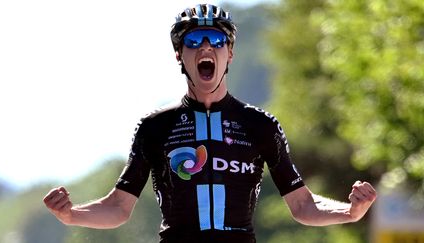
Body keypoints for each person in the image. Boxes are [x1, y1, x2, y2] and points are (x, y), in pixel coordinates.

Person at [43, 4, 377, 243]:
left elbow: (302, 204)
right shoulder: (155, 127)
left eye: (216, 41)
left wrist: (350, 212)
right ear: (179, 55)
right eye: (194, 41)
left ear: (229, 53)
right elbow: (118, 207)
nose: (206, 47)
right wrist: (71, 215)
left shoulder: (259, 124)